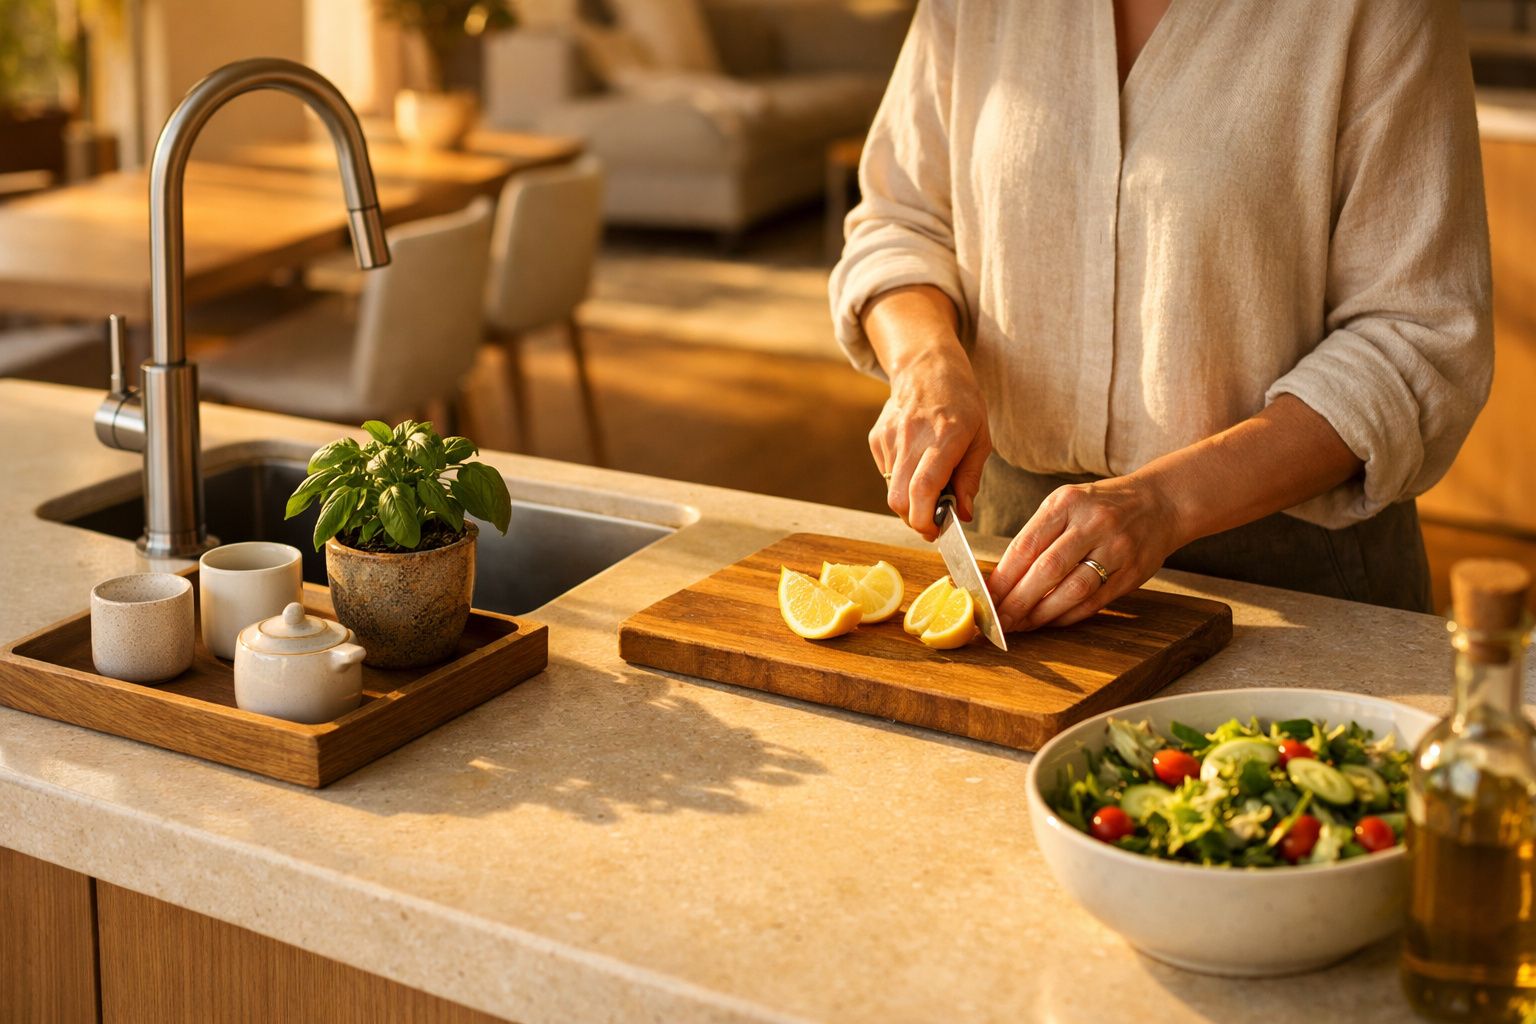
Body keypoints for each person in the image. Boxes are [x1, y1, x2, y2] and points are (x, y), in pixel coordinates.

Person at [829, 0, 1492, 630]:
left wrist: (1168, 502)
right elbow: (901, 219)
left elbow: (1415, 336)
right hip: (1008, 542)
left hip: (1291, 578)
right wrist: (925, 360)